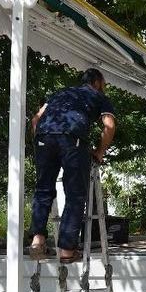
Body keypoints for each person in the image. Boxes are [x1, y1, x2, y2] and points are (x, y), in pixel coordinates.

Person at [28, 68, 116, 263]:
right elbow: (109, 126)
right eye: (104, 83)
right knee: (75, 194)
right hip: (72, 139)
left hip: (44, 137)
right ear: (97, 82)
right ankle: (67, 250)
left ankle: (37, 241)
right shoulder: (99, 96)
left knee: (43, 189)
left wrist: (43, 142)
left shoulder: (60, 93)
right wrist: (99, 152)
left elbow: (36, 120)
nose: (104, 87)